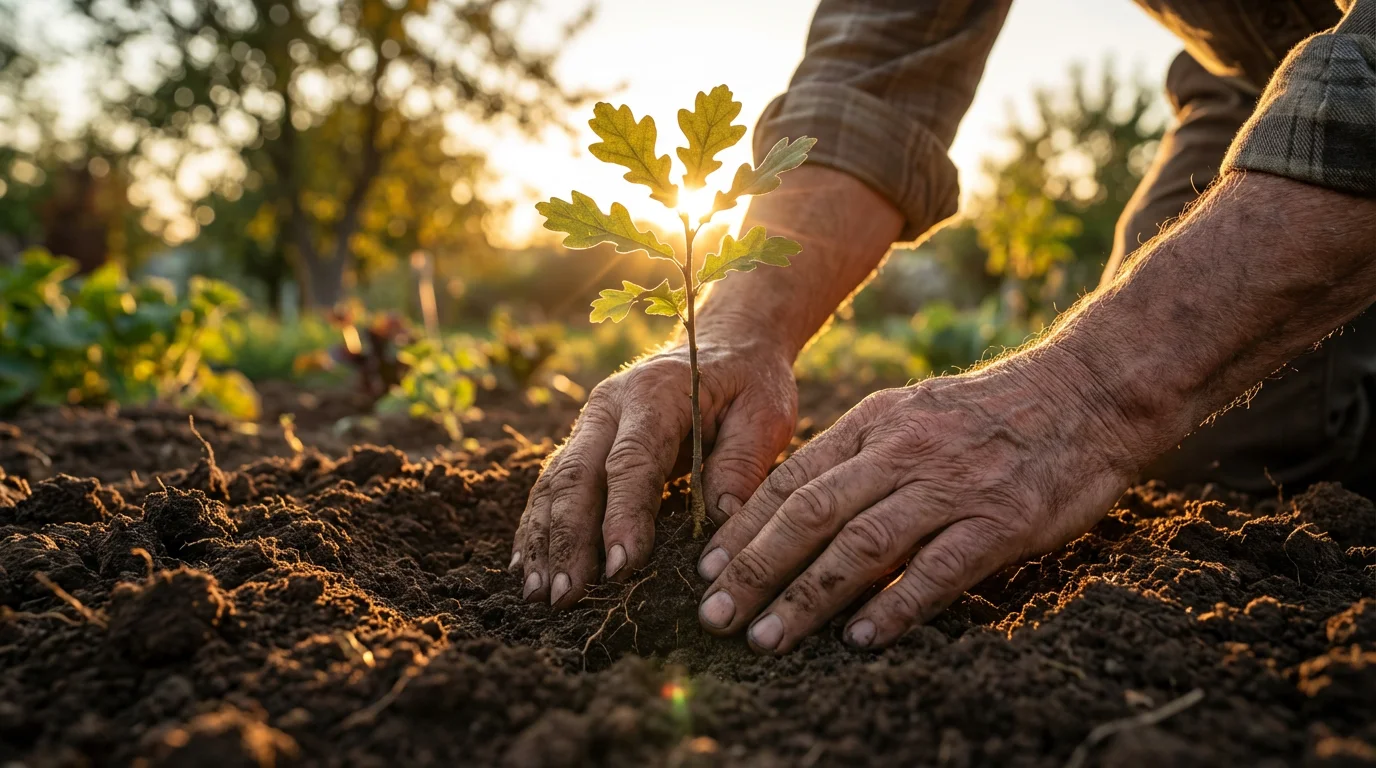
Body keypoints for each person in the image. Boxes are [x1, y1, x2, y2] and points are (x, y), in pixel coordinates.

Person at [511, 0, 1376, 654]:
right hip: (1263, 71)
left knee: (1181, 402)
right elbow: (876, 69)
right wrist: (740, 325)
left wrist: (1095, 390)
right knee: (1219, 445)